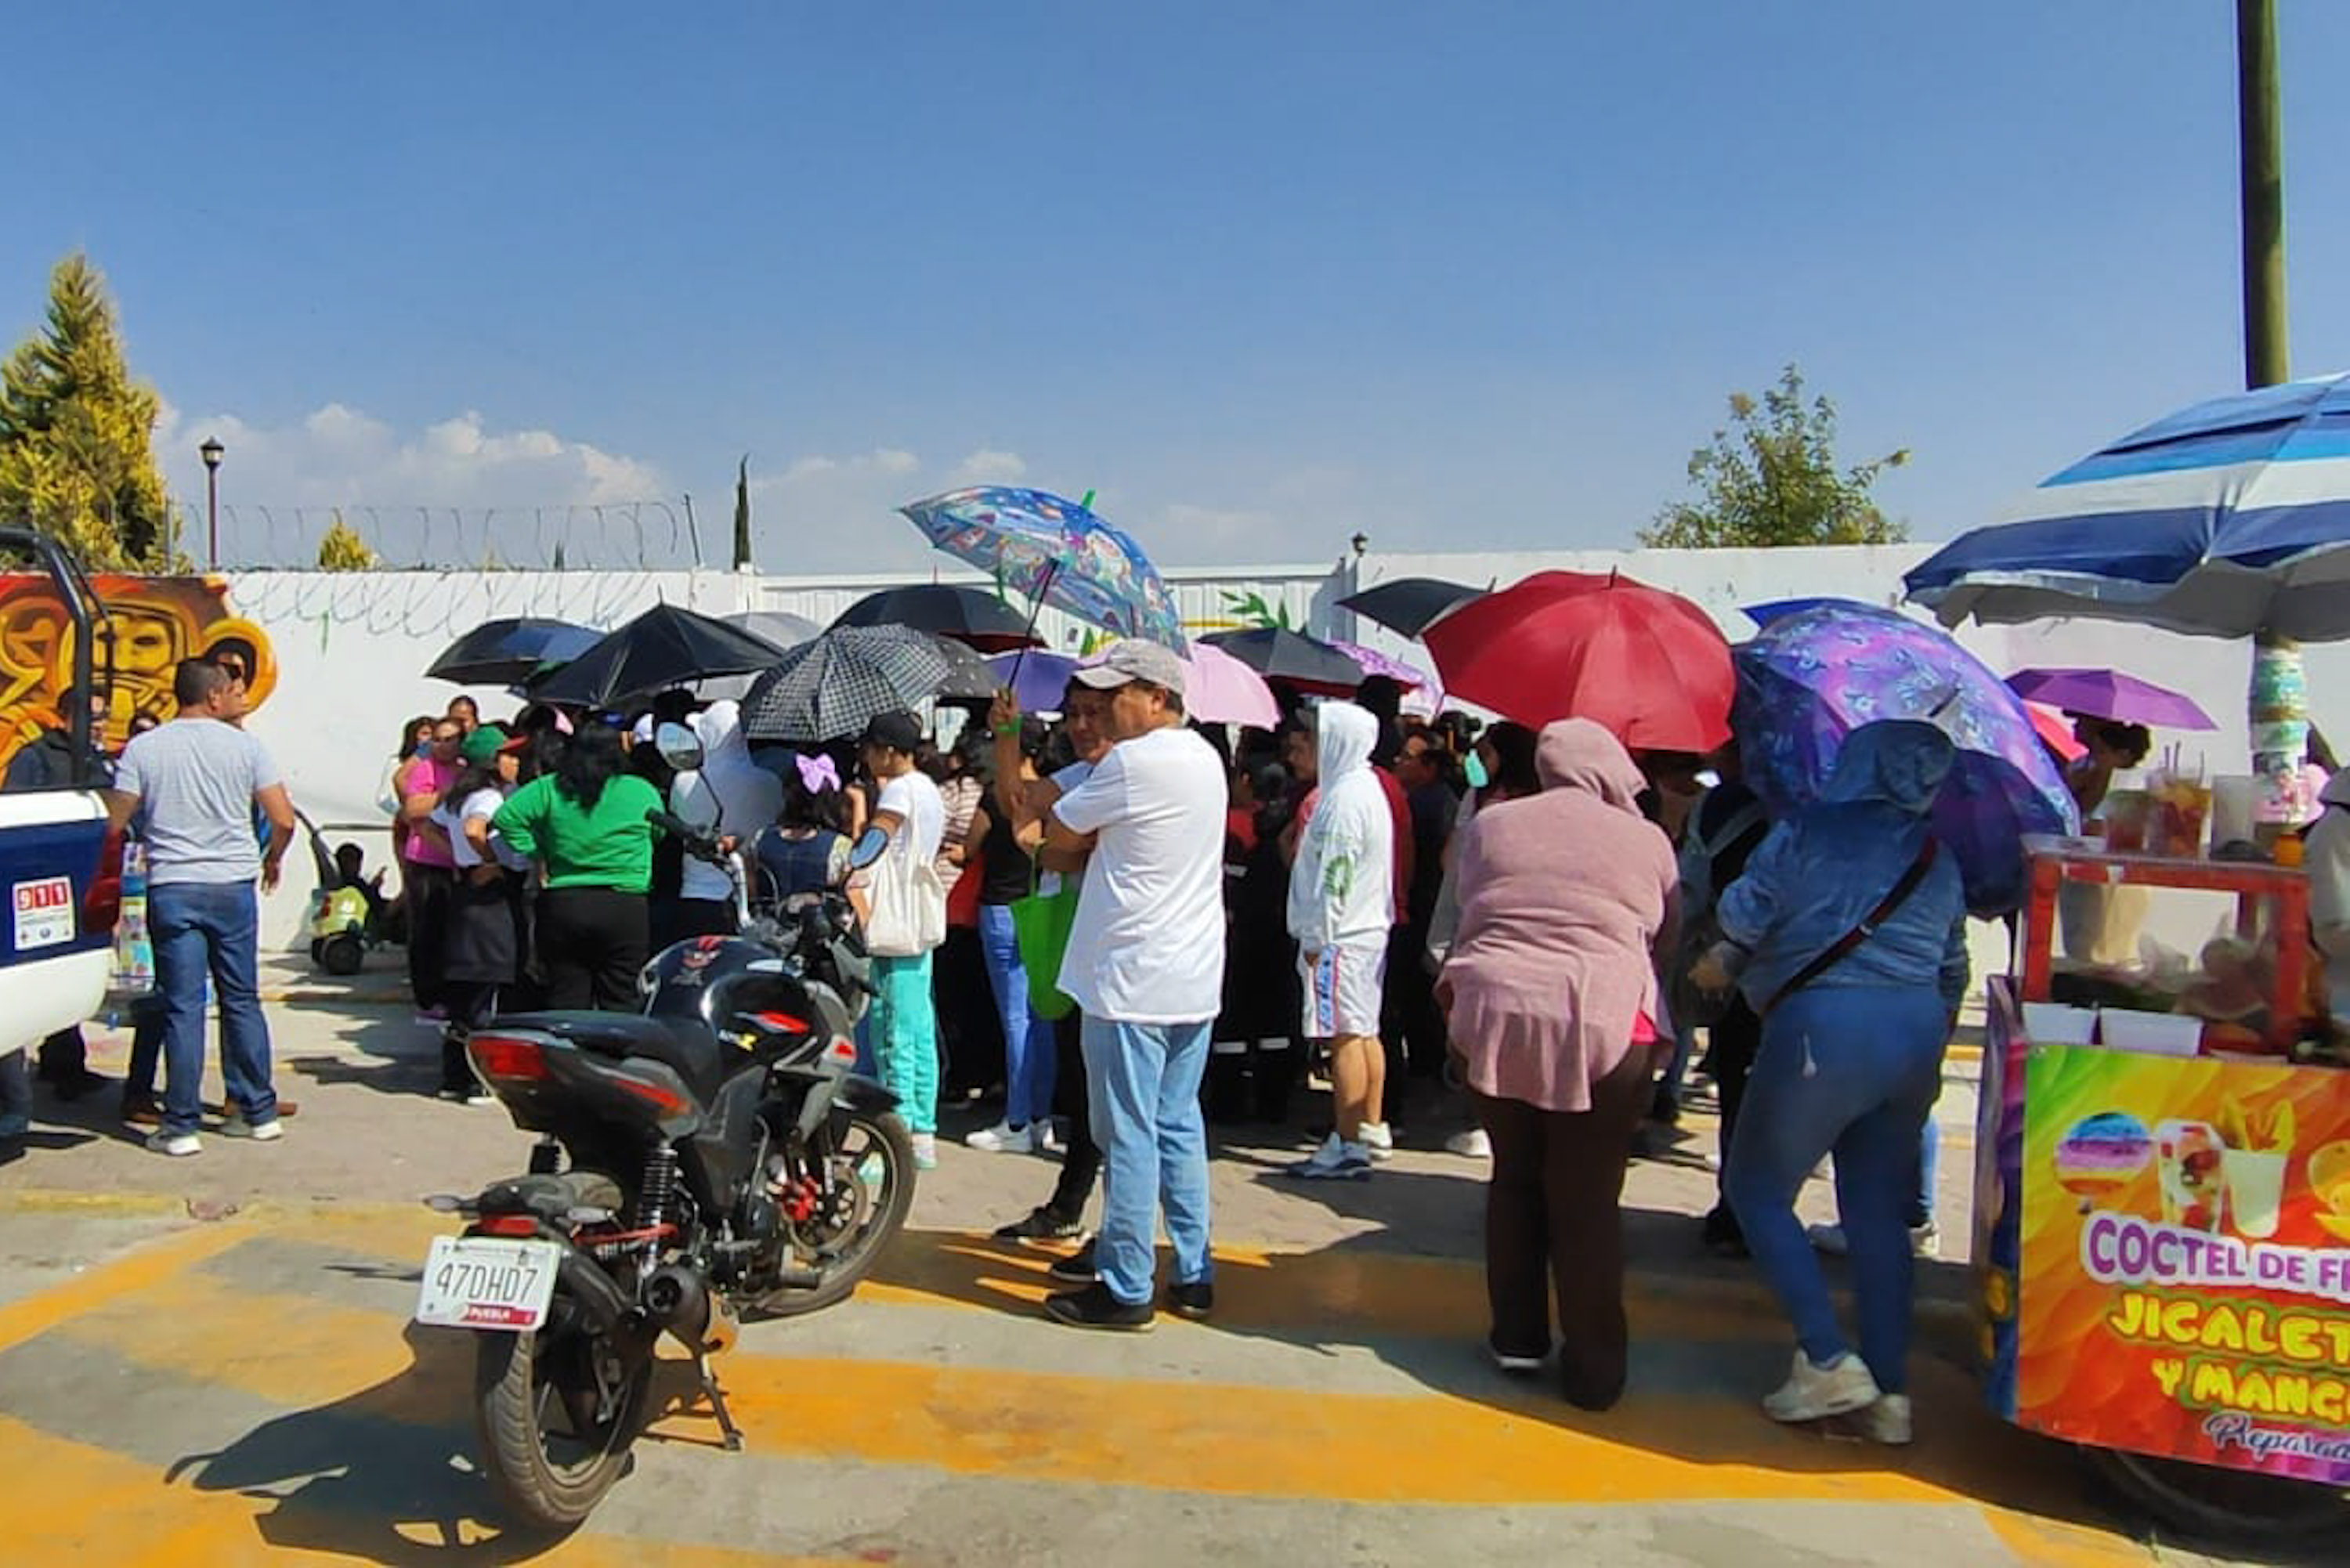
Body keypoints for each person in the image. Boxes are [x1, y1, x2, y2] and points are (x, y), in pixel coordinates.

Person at [1697, 720, 1969, 1447]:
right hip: (1914, 1032)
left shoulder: (1807, 831)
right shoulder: (1938, 855)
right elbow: (1952, 966)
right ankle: (1890, 1396)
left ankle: (1824, 1355)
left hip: (1823, 1027)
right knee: (1879, 1219)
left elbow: (1743, 912)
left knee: (1756, 1190)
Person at [1439, 719, 1676, 1410]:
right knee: (1588, 1199)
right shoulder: (1647, 840)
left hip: (1492, 1013)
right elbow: (1665, 933)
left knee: (1515, 1177)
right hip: (1607, 1022)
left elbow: (1467, 905)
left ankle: (1516, 1337)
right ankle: (1596, 1371)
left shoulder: (1494, 823)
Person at [1039, 641, 1227, 1331]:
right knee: (1177, 1123)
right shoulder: (1205, 757)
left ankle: (1125, 1284)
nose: (1102, 711)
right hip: (1190, 973)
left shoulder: (1133, 762)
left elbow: (1056, 827)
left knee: (1127, 1134)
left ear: (1156, 697)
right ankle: (1195, 1269)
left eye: (1117, 694)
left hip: (1130, 977)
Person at [107, 659, 296, 1156]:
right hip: (232, 883)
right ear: (213, 697)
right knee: (242, 998)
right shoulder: (246, 747)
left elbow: (116, 817)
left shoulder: (144, 748)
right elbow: (283, 818)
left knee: (182, 1007)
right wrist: (270, 859)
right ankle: (258, 1112)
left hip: (172, 884)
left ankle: (181, 1125)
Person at [989, 680, 1115, 1247]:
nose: (1082, 725)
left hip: (1118, 959)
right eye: (1074, 713)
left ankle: (1125, 1243)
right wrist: (1008, 736)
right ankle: (1073, 1207)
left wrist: (1036, 846)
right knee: (1083, 1085)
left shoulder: (1128, 775)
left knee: (1117, 1107)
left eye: (1096, 712)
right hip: (1081, 943)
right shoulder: (1087, 775)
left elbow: (1068, 844)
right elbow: (1021, 802)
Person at [1283, 703, 1397, 1180]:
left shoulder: (1342, 801)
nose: (1301, 750)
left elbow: (1335, 877)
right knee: (1365, 1031)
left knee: (1343, 1036)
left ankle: (1347, 1142)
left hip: (1339, 936)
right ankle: (1368, 1126)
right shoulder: (1363, 788)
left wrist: (1317, 937)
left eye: (1311, 739)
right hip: (1364, 931)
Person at [492, 721, 663, 1010]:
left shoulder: (550, 787)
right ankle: (614, 1053)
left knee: (566, 995)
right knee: (621, 996)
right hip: (625, 903)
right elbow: (658, 832)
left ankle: (566, 1054)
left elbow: (506, 818)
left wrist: (538, 850)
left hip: (564, 902)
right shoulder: (640, 790)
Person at [6, 689, 115, 1098]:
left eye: (105, 716)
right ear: (65, 717)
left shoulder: (98, 762)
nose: (101, 724)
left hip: (85, 883)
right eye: (93, 716)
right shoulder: (35, 758)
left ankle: (65, 1065)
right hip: (41, 886)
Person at [854, 710, 948, 1168]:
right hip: (919, 918)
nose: (867, 757)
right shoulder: (929, 788)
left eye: (870, 749)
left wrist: (852, 854)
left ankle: (895, 1136)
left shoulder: (898, 790)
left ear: (889, 751)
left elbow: (878, 840)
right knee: (918, 1027)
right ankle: (923, 1131)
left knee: (891, 1032)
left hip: (894, 919)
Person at [964, 717, 1059, 1154]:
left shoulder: (999, 796)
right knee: (1042, 1017)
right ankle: (1041, 1118)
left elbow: (969, 846)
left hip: (1001, 908)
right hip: (1041, 908)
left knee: (1015, 1018)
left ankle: (1017, 1121)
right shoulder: (1052, 794)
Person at [434, 724, 528, 1101]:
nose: (515, 761)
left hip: (464, 894)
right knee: (485, 989)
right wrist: (491, 861)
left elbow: (426, 824)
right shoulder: (489, 797)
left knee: (463, 990)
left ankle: (453, 1076)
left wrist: (458, 860)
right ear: (494, 760)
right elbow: (476, 830)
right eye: (509, 754)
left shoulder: (459, 795)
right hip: (489, 896)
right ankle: (477, 1081)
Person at [668, 699, 782, 939]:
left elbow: (675, 815)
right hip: (747, 896)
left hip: (695, 894)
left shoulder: (683, 781)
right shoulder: (768, 783)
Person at [397, 714, 468, 1023]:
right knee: (426, 930)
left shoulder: (467, 771)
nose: (442, 745)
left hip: (458, 859)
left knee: (453, 931)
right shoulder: (425, 770)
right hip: (426, 859)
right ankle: (427, 997)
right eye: (437, 739)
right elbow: (413, 808)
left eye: (450, 739)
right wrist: (447, 795)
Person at [755, 753, 854, 914]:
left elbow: (752, 891)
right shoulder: (840, 847)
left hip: (769, 928)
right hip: (817, 930)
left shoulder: (761, 839)